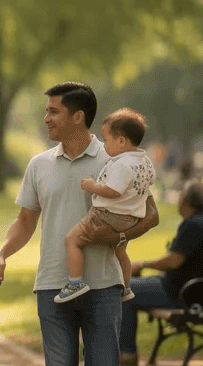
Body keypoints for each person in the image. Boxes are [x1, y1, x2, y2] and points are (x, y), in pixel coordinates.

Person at [0, 82, 159, 366]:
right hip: (53, 286)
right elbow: (25, 222)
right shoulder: (39, 165)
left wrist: (118, 238)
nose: (46, 118)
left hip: (103, 286)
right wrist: (1, 255)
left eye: (53, 112)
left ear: (77, 116)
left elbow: (149, 215)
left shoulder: (118, 158)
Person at [55, 108, 156, 304]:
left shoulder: (122, 164)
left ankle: (75, 283)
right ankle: (126, 288)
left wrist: (93, 186)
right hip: (130, 218)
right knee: (121, 252)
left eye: (107, 139)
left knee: (72, 239)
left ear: (121, 141)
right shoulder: (145, 162)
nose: (104, 145)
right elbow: (147, 183)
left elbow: (113, 191)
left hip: (108, 215)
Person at [120, 180, 203, 366]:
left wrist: (142, 264)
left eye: (181, 195)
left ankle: (127, 353)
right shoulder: (199, 223)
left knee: (124, 291)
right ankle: (124, 350)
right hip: (184, 289)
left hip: (183, 295)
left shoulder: (193, 225)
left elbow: (173, 261)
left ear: (185, 200)